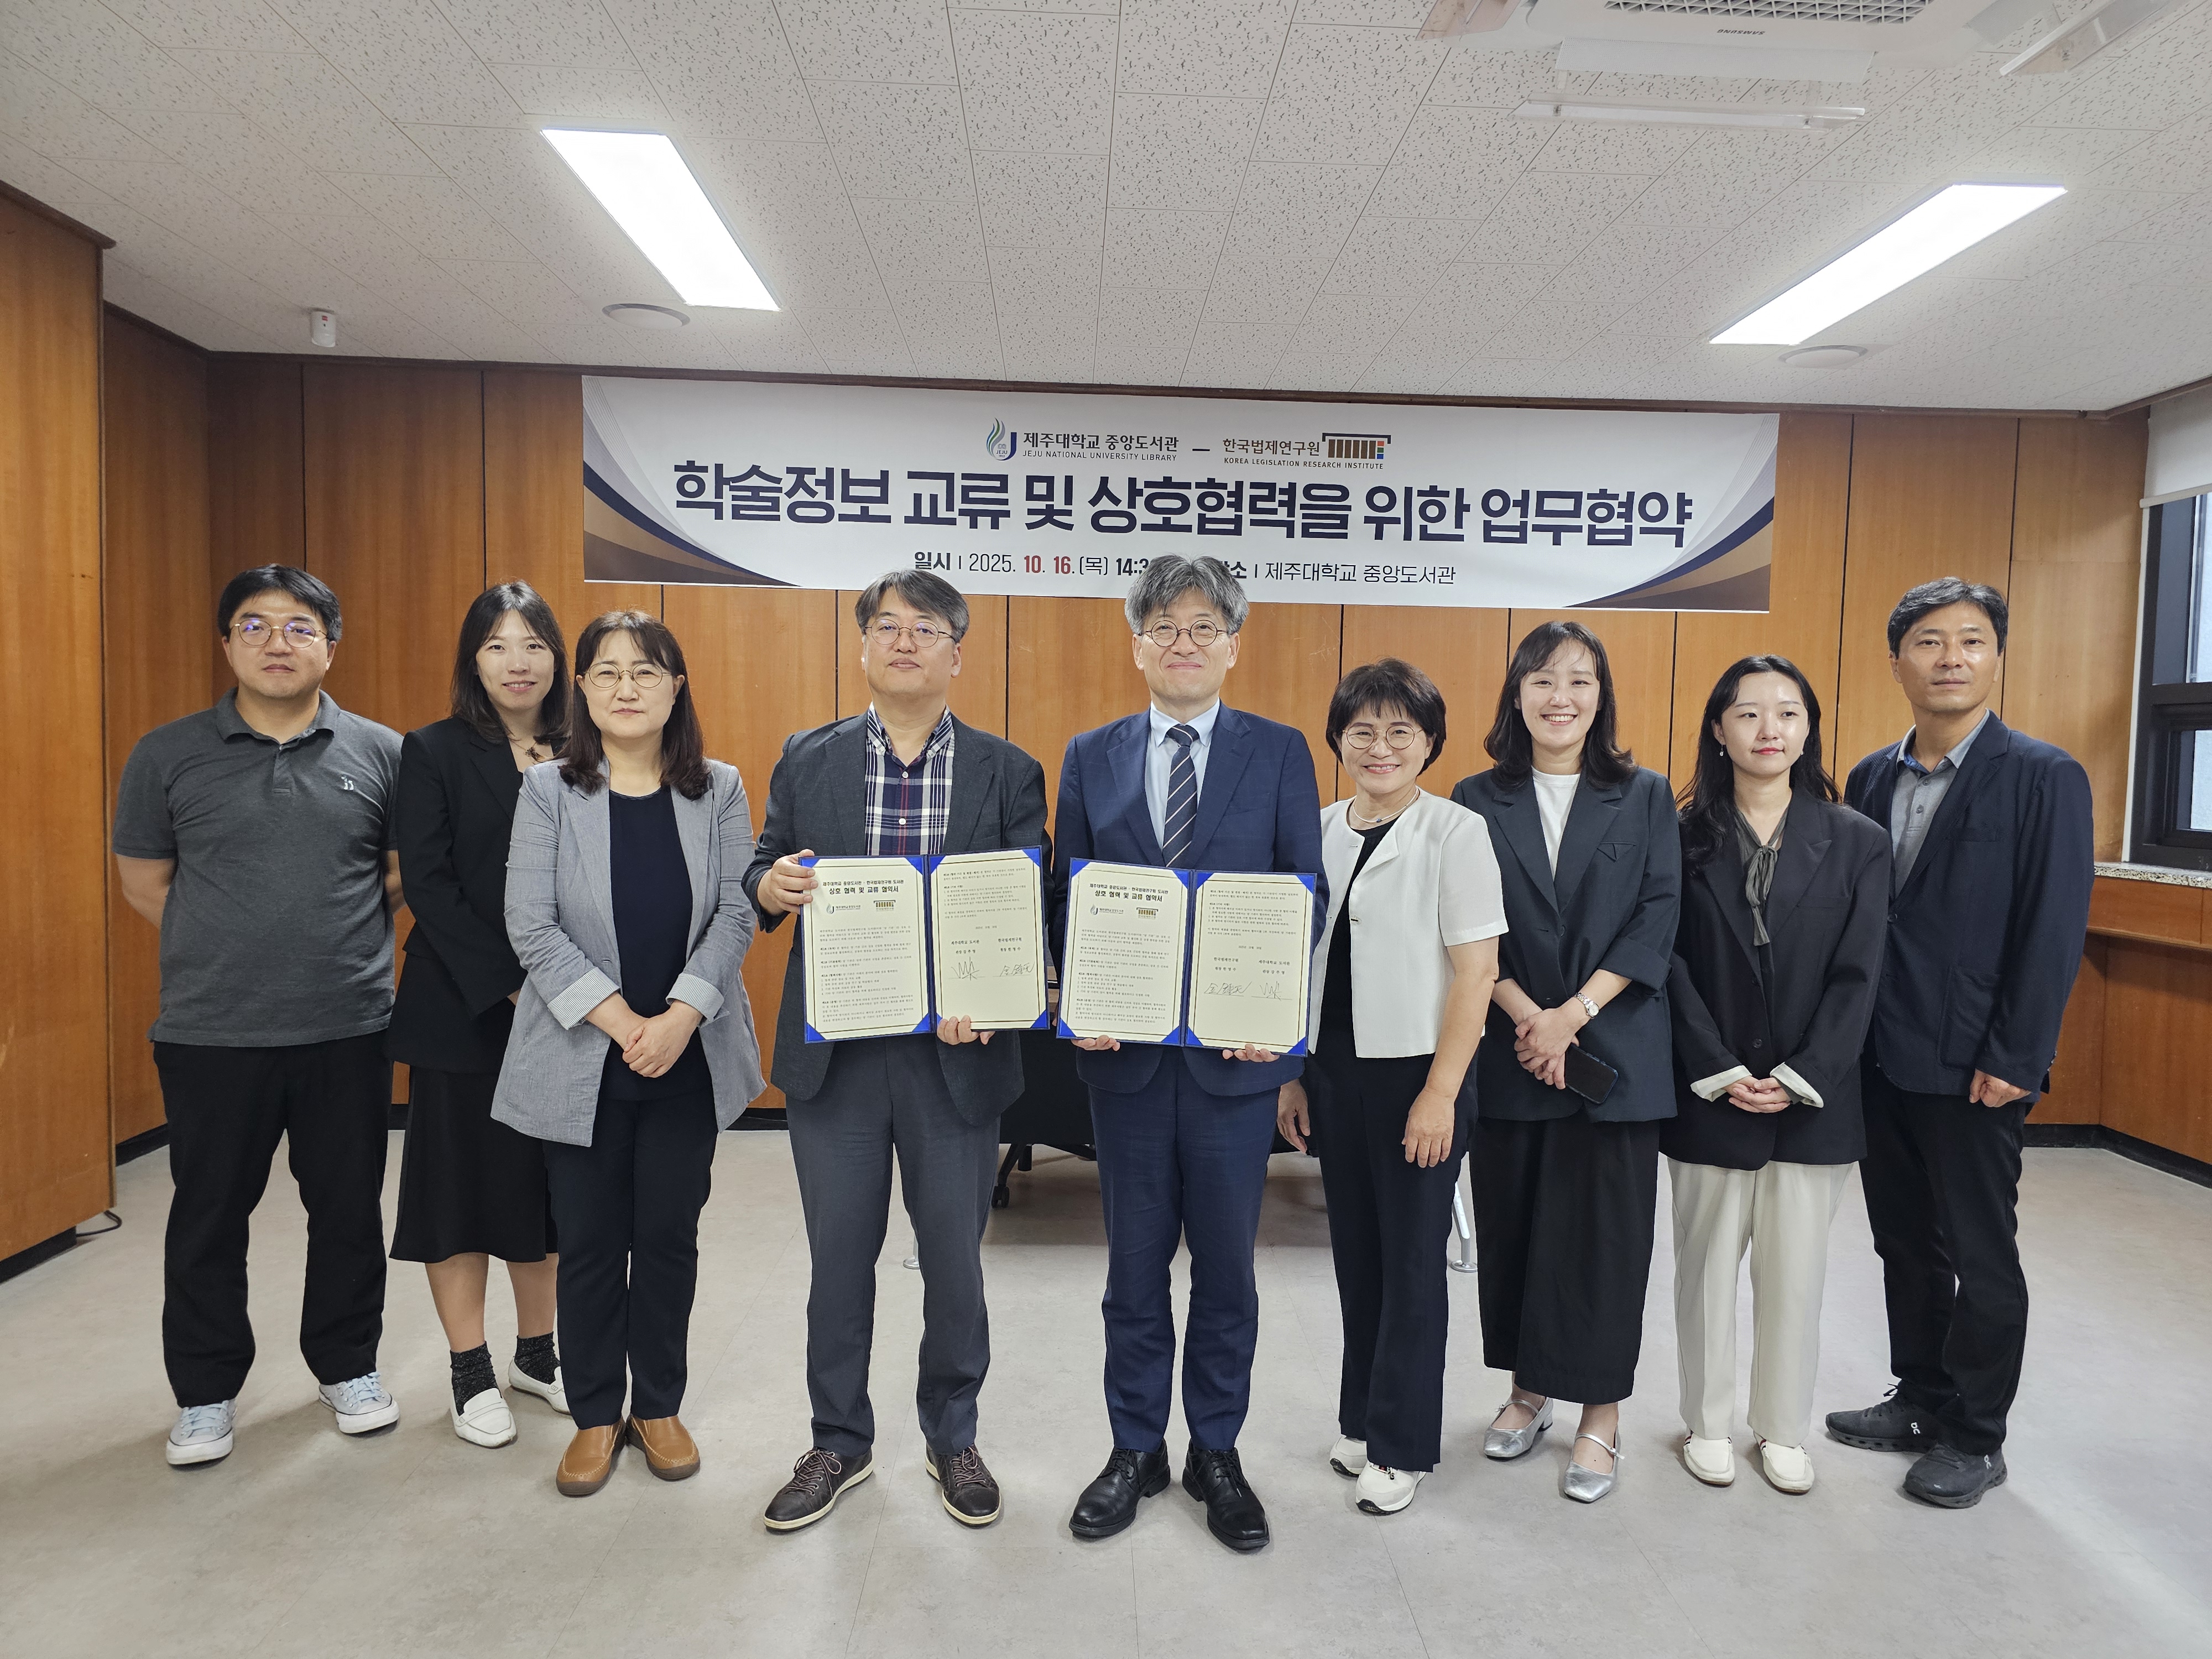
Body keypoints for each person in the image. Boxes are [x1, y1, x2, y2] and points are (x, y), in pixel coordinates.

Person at [746, 571, 1047, 1534]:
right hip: (836, 1053)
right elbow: (764, 862)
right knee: (840, 1257)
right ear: (864, 647)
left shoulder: (1007, 768)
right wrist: (772, 886)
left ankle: (951, 1434)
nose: (905, 642)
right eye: (888, 627)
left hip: (953, 1060)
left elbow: (1022, 900)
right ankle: (838, 1439)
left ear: (958, 654)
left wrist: (994, 1000)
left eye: (927, 629)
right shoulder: (809, 755)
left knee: (954, 1259)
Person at [1055, 554, 1327, 1553]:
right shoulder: (1092, 753)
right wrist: (1076, 991)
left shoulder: (1282, 751)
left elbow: (1306, 891)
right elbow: (1066, 895)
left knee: (1226, 1272)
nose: (1184, 643)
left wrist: (1273, 1005)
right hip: (1123, 1061)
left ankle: (1217, 1447)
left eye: (1204, 626)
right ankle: (1136, 1446)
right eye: (1164, 626)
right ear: (1137, 645)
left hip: (1234, 1064)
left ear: (1233, 645)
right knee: (1131, 1272)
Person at [115, 565, 406, 1468]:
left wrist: (334, 942)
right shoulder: (168, 754)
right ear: (227, 643)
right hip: (212, 1032)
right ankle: (205, 1392)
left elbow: (399, 876)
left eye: (299, 627)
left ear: (331, 643)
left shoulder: (382, 751)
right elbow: (144, 882)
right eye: (255, 626)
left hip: (349, 1025)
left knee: (349, 1209)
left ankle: (347, 1365)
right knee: (207, 1215)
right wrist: (232, 945)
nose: (278, 644)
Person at [1826, 578, 2094, 1509]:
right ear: (1898, 660)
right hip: (1879, 1057)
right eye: (1930, 643)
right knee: (1903, 1240)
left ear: (1996, 656)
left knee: (1981, 1253)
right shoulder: (1869, 775)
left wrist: (2017, 1057)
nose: (1950, 659)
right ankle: (1922, 1397)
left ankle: (1978, 1435)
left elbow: (2053, 928)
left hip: (1977, 1062)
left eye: (1971, 642)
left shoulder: (2042, 776)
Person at [491, 610, 764, 1498]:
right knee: (593, 1238)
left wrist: (679, 1017)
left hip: (686, 1056)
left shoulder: (717, 788)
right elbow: (529, 924)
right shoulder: (547, 792)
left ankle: (660, 1404)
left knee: (669, 1235)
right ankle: (596, 1415)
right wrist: (623, 1024)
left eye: (646, 673)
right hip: (584, 1058)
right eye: (606, 672)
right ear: (582, 689)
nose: (625, 688)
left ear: (676, 688)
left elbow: (735, 913)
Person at [1451, 619, 1680, 1504]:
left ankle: (1601, 1416)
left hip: (1613, 1050)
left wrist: (1573, 1014)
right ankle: (1526, 1392)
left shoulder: (1646, 793)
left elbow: (1657, 915)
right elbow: (1468, 926)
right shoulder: (1475, 797)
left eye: (1580, 682)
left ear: (1601, 697)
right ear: (1517, 694)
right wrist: (1527, 1018)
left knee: (1606, 1244)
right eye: (1543, 680)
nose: (1561, 698)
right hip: (1512, 1047)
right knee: (1517, 1229)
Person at [1275, 659, 1504, 1517]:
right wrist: (1294, 1076)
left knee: (1412, 1264)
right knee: (1358, 1258)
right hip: (1334, 1071)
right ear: (1337, 740)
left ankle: (1405, 1445)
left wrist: (1442, 1093)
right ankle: (1364, 1420)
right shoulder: (1320, 825)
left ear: (1430, 743)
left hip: (1420, 1073)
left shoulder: (1457, 832)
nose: (1380, 747)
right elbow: (1301, 956)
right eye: (1362, 731)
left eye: (1401, 732)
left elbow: (1477, 972)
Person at [1663, 656, 1890, 1496]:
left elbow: (1860, 975)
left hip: (1814, 1102)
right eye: (1748, 714)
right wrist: (1719, 1069)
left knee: (1797, 1277)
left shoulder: (1859, 840)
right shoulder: (1679, 836)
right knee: (1706, 1272)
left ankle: (1783, 1428)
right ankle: (1707, 1422)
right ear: (1718, 730)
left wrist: (1799, 1075)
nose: (1769, 730)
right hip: (1708, 1094)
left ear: (1808, 730)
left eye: (1787, 714)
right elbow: (1667, 965)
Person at [387, 583, 572, 1449]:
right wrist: (514, 982)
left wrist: (570, 987)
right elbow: (429, 883)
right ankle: (469, 1371)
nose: (518, 662)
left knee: (545, 1189)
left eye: (533, 644)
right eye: (498, 645)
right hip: (468, 1005)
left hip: (572, 1009)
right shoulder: (432, 751)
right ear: (473, 659)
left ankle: (539, 1355)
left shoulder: (589, 745)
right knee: (456, 1191)